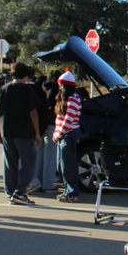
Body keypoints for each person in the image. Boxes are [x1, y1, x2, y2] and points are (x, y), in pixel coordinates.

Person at [0, 61, 42, 205]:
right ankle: (20, 191)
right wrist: (37, 133)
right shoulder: (27, 90)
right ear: (26, 75)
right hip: (24, 132)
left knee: (10, 163)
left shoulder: (3, 89)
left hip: (7, 131)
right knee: (29, 162)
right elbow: (33, 112)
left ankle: (11, 192)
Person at [52, 69, 82, 203]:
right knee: (62, 165)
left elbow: (69, 119)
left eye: (61, 85)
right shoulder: (67, 98)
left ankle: (72, 192)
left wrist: (58, 133)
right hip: (64, 134)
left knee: (68, 165)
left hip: (68, 135)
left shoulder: (73, 98)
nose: (59, 87)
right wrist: (57, 132)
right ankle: (67, 191)